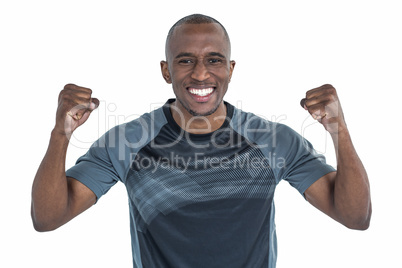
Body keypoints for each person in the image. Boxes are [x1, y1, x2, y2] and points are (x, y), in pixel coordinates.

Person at [31, 14, 372, 268]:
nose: (200, 74)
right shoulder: (126, 142)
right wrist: (61, 133)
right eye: (185, 61)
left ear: (230, 68)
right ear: (166, 71)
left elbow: (355, 217)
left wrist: (338, 129)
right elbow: (47, 219)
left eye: (213, 60)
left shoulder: (273, 141)